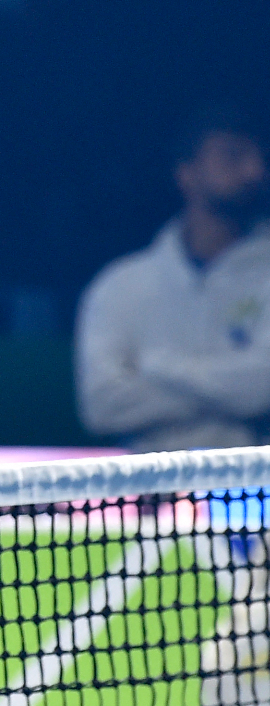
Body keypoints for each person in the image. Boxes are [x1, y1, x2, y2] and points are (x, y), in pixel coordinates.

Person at [77, 108, 270, 452]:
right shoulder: (120, 285)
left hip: (254, 496)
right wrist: (229, 394)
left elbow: (262, 389)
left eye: (260, 158)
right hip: (149, 496)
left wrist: (158, 368)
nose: (254, 171)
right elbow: (102, 406)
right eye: (233, 155)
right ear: (187, 173)